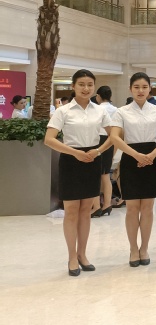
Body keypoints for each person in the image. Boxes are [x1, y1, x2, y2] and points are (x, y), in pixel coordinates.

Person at [45, 69, 114, 276]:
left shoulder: (100, 111)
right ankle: (72, 257)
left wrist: (98, 151)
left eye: (90, 85)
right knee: (71, 211)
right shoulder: (63, 111)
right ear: (73, 86)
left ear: (94, 87)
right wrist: (74, 152)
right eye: (81, 84)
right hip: (70, 161)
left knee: (86, 211)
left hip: (92, 160)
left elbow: (114, 136)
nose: (86, 88)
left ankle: (83, 254)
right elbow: (49, 139)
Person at [109, 72, 156, 267]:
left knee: (148, 208)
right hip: (130, 158)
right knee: (132, 208)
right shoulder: (122, 112)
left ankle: (144, 248)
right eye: (136, 87)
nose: (140, 91)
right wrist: (136, 155)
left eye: (144, 87)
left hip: (152, 158)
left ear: (150, 89)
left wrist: (154, 154)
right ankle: (133, 248)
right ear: (130, 89)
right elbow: (115, 137)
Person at [92, 85, 117, 218]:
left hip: (98, 141)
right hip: (111, 140)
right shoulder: (116, 110)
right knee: (106, 174)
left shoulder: (96, 109)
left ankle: (96, 206)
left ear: (98, 96)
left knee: (95, 175)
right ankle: (107, 204)